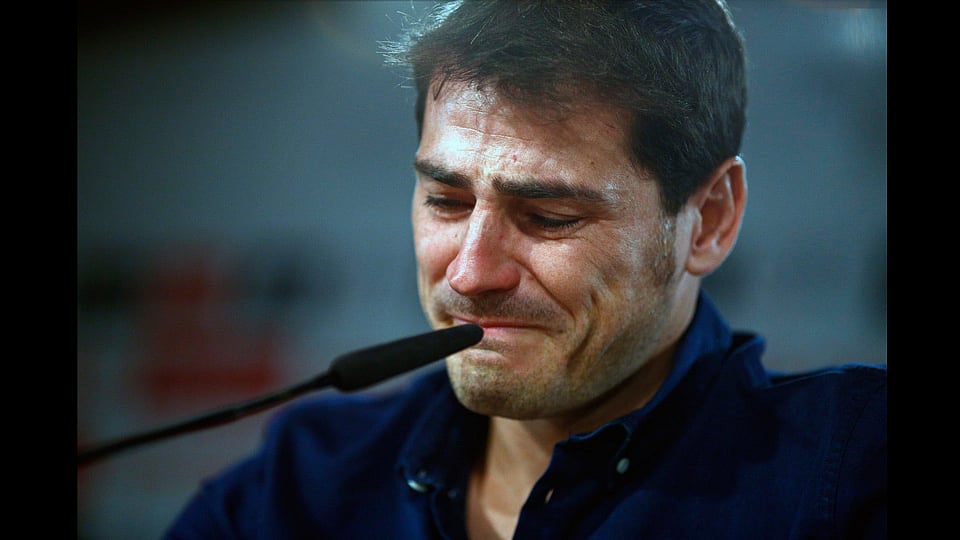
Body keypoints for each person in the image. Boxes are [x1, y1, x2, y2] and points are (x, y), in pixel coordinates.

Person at [164, 1, 887, 538]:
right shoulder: (300, 482)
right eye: (447, 200)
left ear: (712, 219)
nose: (471, 274)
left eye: (550, 218)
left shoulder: (852, 468)